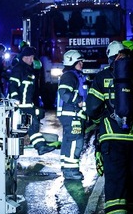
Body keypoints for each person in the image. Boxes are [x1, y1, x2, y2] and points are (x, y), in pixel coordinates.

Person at [85, 41, 133, 214]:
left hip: (111, 138)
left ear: (110, 57)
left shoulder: (101, 77)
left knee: (116, 183)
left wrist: (102, 121)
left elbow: (92, 109)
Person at [8, 46, 56, 155]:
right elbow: (13, 86)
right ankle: (40, 146)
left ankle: (40, 146)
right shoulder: (18, 69)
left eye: (32, 57)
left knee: (33, 123)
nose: (32, 60)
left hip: (28, 104)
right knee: (33, 124)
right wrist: (16, 101)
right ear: (24, 57)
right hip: (21, 105)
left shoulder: (29, 70)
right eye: (30, 57)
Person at [56, 50, 87, 180]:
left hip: (72, 114)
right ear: (72, 62)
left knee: (69, 141)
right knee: (75, 141)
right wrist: (79, 100)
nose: (81, 64)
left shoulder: (74, 75)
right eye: (79, 62)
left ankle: (67, 167)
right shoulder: (69, 76)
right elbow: (64, 93)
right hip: (72, 114)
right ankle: (71, 170)